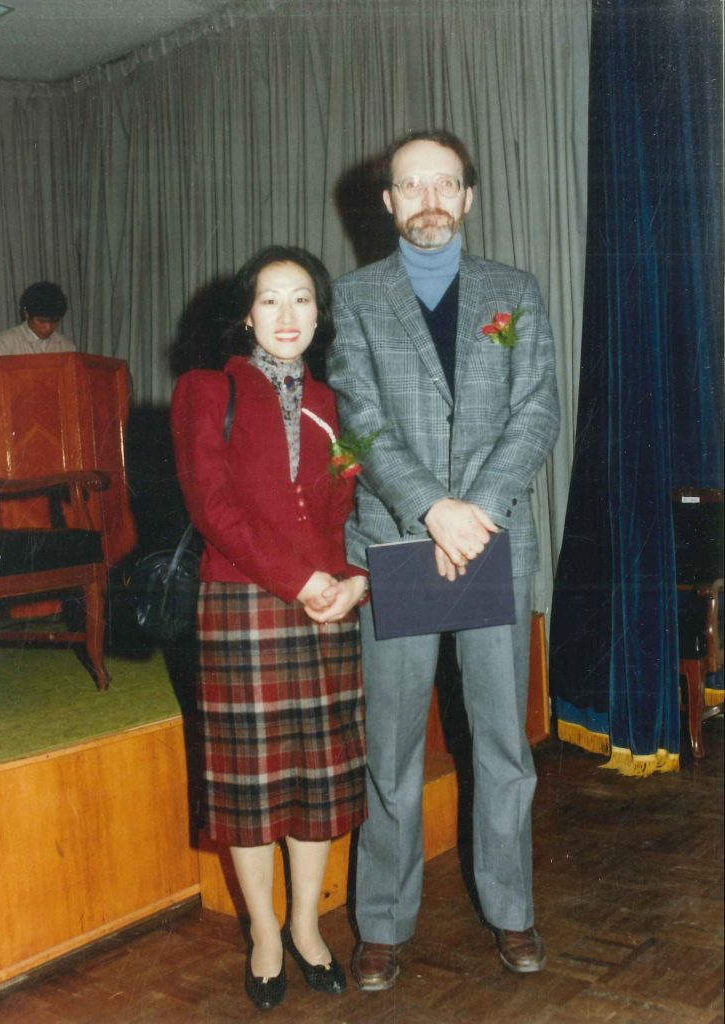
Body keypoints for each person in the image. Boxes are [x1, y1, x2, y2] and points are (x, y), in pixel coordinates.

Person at [327, 129, 560, 988]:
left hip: (493, 543)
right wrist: (431, 508)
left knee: (502, 744)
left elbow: (535, 412)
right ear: (386, 203)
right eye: (409, 185)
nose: (427, 199)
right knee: (389, 750)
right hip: (396, 543)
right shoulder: (350, 300)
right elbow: (356, 422)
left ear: (466, 198)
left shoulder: (514, 293)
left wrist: (475, 513)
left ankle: (513, 912)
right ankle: (382, 921)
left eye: (444, 184)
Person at [171, 246, 369, 1011]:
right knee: (252, 789)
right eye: (269, 300)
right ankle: (261, 932)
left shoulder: (336, 402)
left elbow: (343, 507)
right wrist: (302, 580)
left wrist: (352, 582)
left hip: (325, 611)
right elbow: (212, 508)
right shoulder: (205, 388)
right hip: (244, 603)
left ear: (320, 315)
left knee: (315, 781)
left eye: (302, 301)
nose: (287, 316)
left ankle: (305, 927)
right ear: (245, 312)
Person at [0, 281, 75, 356]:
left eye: (54, 321)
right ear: (27, 314)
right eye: (41, 321)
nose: (48, 327)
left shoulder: (67, 346)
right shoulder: (4, 343)